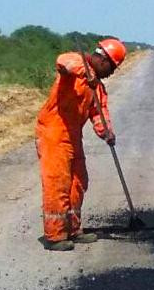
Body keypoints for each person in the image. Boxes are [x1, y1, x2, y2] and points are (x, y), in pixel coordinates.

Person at [35, 38, 127, 251]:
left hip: (73, 136)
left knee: (78, 181)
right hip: (53, 133)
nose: (111, 73)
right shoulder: (76, 65)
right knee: (57, 182)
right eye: (111, 68)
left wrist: (107, 134)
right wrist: (84, 73)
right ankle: (55, 235)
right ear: (102, 59)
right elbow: (63, 62)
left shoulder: (98, 88)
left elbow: (99, 113)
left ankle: (73, 229)